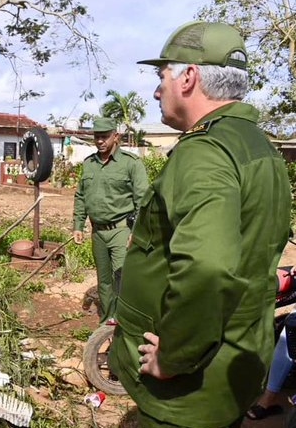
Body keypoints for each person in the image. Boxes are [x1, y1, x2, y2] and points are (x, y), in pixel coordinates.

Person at [108, 21, 292, 428]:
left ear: (188, 77)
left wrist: (173, 357)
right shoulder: (259, 148)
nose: (158, 90)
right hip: (233, 365)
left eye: (162, 76)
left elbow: (206, 267)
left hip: (186, 391)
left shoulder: (205, 152)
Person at [72, 117, 148, 324]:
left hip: (121, 231)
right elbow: (80, 196)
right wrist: (78, 225)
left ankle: (125, 323)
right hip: (98, 232)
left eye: (105, 136)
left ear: (116, 137)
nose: (100, 141)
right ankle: (107, 322)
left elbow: (143, 200)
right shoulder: (89, 164)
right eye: (97, 137)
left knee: (122, 277)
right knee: (104, 282)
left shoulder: (130, 164)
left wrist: (137, 232)